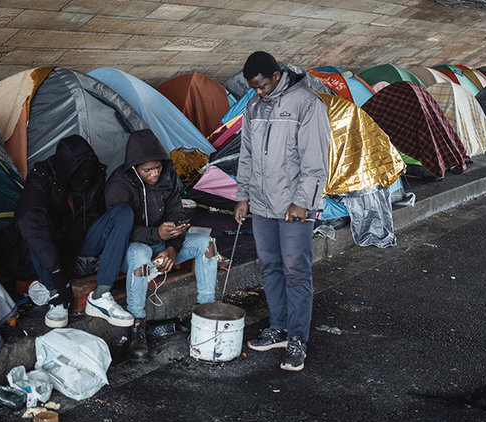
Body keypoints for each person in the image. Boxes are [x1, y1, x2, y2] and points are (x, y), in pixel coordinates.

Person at [234, 51, 330, 372]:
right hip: (261, 204)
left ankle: (297, 338)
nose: (258, 92)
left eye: (261, 86)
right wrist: (243, 196)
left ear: (276, 75)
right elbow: (246, 155)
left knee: (296, 270)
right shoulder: (253, 107)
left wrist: (303, 201)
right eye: (253, 88)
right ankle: (278, 327)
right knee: (271, 267)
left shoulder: (306, 104)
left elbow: (315, 160)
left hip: (294, 206)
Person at [106, 129, 219, 362]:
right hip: (132, 248)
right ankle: (137, 325)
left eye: (157, 167)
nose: (155, 174)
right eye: (147, 170)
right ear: (134, 168)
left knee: (207, 245)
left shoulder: (168, 177)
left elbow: (178, 216)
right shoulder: (118, 184)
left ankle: (204, 315)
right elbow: (119, 231)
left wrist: (173, 247)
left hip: (163, 245)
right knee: (139, 255)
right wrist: (156, 234)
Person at [15, 134, 134, 328]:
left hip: (83, 244)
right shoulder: (43, 176)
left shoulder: (95, 174)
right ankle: (57, 296)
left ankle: (101, 295)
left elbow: (97, 214)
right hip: (54, 253)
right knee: (33, 224)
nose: (84, 181)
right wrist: (56, 273)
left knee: (123, 212)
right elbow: (28, 218)